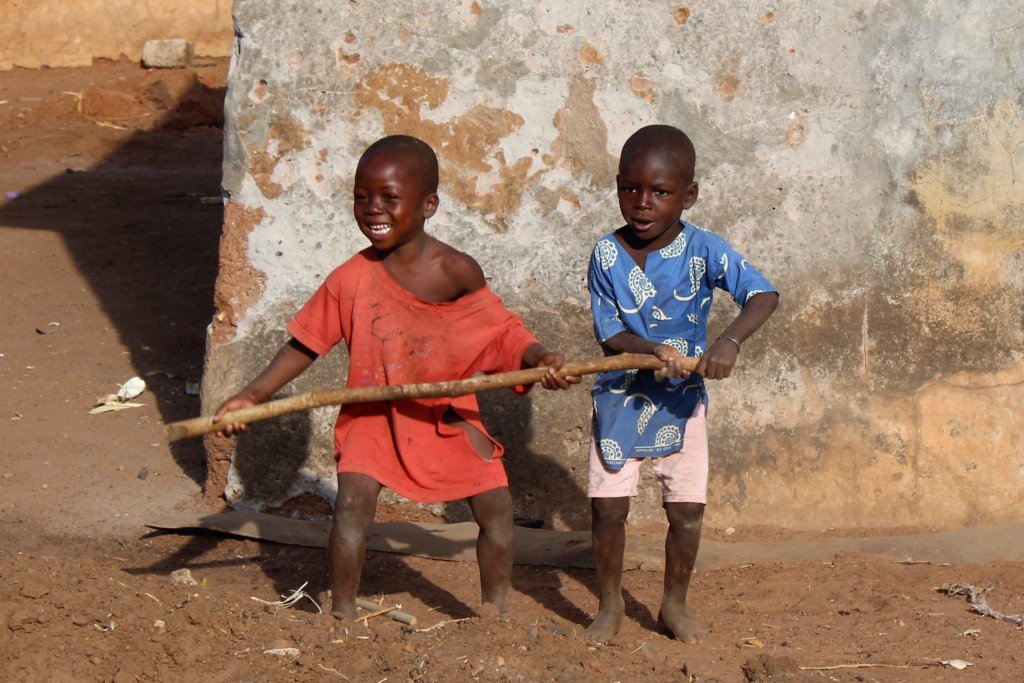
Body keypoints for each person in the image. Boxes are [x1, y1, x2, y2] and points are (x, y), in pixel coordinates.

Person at [213, 135, 577, 619]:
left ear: (429, 205)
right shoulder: (350, 278)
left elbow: (501, 331)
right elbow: (306, 342)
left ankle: (494, 613)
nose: (372, 209)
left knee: (496, 509)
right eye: (361, 197)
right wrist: (252, 395)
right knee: (352, 505)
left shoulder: (455, 270)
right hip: (373, 415)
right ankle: (340, 612)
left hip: (442, 415)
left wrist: (538, 356)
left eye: (389, 198)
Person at [584, 124, 779, 643]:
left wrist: (728, 342)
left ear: (687, 195)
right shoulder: (606, 255)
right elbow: (610, 335)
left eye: (661, 192)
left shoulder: (705, 250)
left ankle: (673, 605)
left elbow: (762, 294)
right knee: (608, 508)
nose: (642, 203)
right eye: (631, 189)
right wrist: (650, 351)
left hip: (683, 402)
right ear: (619, 184)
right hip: (620, 397)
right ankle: (609, 607)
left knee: (686, 511)